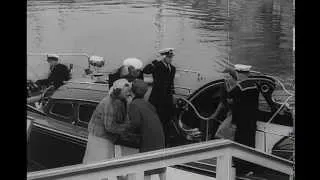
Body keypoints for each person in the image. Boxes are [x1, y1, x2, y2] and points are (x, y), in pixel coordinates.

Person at [82, 79, 134, 164]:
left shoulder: (120, 101)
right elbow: (109, 127)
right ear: (119, 91)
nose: (128, 95)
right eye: (126, 93)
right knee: (100, 163)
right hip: (100, 139)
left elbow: (124, 119)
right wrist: (125, 129)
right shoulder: (109, 103)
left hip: (104, 138)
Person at [128, 79, 166, 180]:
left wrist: (126, 129)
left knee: (146, 166)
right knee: (159, 164)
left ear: (132, 91)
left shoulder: (134, 104)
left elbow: (135, 123)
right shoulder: (148, 104)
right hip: (159, 136)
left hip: (148, 138)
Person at [142, 48, 176, 145]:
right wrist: (155, 61)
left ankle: (165, 138)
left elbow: (171, 83)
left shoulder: (172, 68)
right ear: (164, 57)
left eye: (171, 57)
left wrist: (173, 94)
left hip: (167, 97)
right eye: (168, 57)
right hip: (157, 96)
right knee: (155, 117)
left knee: (166, 118)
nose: (170, 59)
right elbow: (146, 70)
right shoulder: (157, 66)